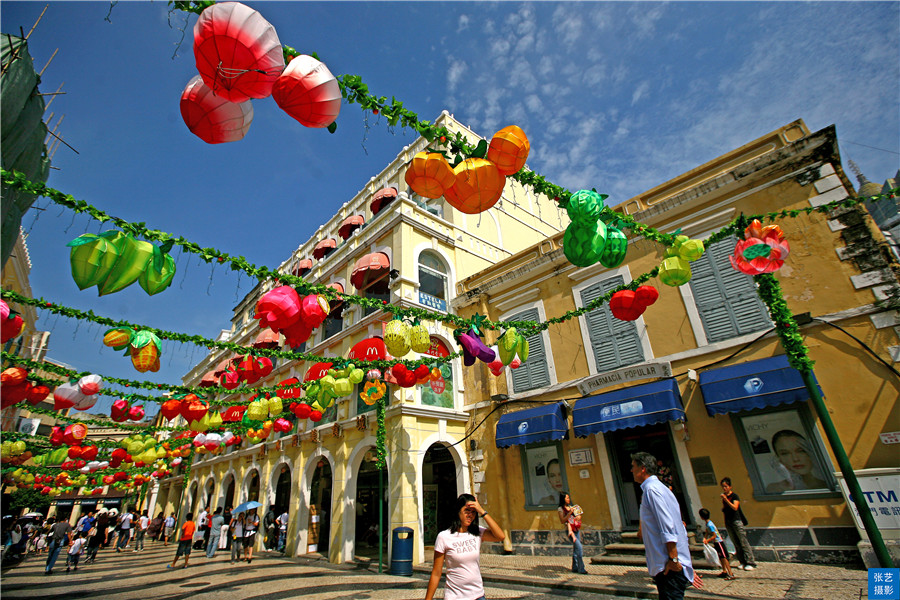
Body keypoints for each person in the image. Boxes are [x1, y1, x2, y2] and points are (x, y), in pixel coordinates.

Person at [631, 452, 697, 600]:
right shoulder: (660, 488)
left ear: (642, 469)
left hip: (668, 567)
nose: (631, 470)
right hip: (669, 565)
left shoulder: (652, 490)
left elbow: (668, 526)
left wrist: (674, 560)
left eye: (633, 467)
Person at [424, 494, 505, 600]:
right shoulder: (444, 537)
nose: (470, 515)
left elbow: (500, 536)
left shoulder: (477, 532)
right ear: (458, 512)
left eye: (473, 512)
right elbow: (436, 573)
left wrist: (482, 511)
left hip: (478, 595)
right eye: (466, 511)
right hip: (455, 596)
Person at [720, 477, 756, 570]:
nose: (724, 488)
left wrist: (726, 500)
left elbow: (735, 507)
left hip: (737, 520)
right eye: (723, 487)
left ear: (730, 486)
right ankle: (742, 561)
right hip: (728, 521)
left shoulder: (734, 496)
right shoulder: (724, 497)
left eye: (726, 486)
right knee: (736, 542)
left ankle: (750, 562)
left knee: (743, 541)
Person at [699, 508, 735, 580]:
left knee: (724, 558)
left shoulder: (710, 525)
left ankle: (730, 573)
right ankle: (724, 571)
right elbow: (707, 531)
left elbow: (714, 535)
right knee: (721, 557)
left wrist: (707, 540)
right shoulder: (708, 523)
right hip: (716, 542)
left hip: (719, 542)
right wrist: (705, 538)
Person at [558, 492, 587, 574]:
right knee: (579, 547)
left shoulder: (572, 507)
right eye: (567, 498)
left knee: (576, 548)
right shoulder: (560, 509)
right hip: (569, 531)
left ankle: (575, 567)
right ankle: (581, 568)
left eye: (568, 498)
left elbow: (577, 516)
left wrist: (578, 517)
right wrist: (570, 513)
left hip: (576, 529)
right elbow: (562, 520)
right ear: (563, 499)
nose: (568, 499)